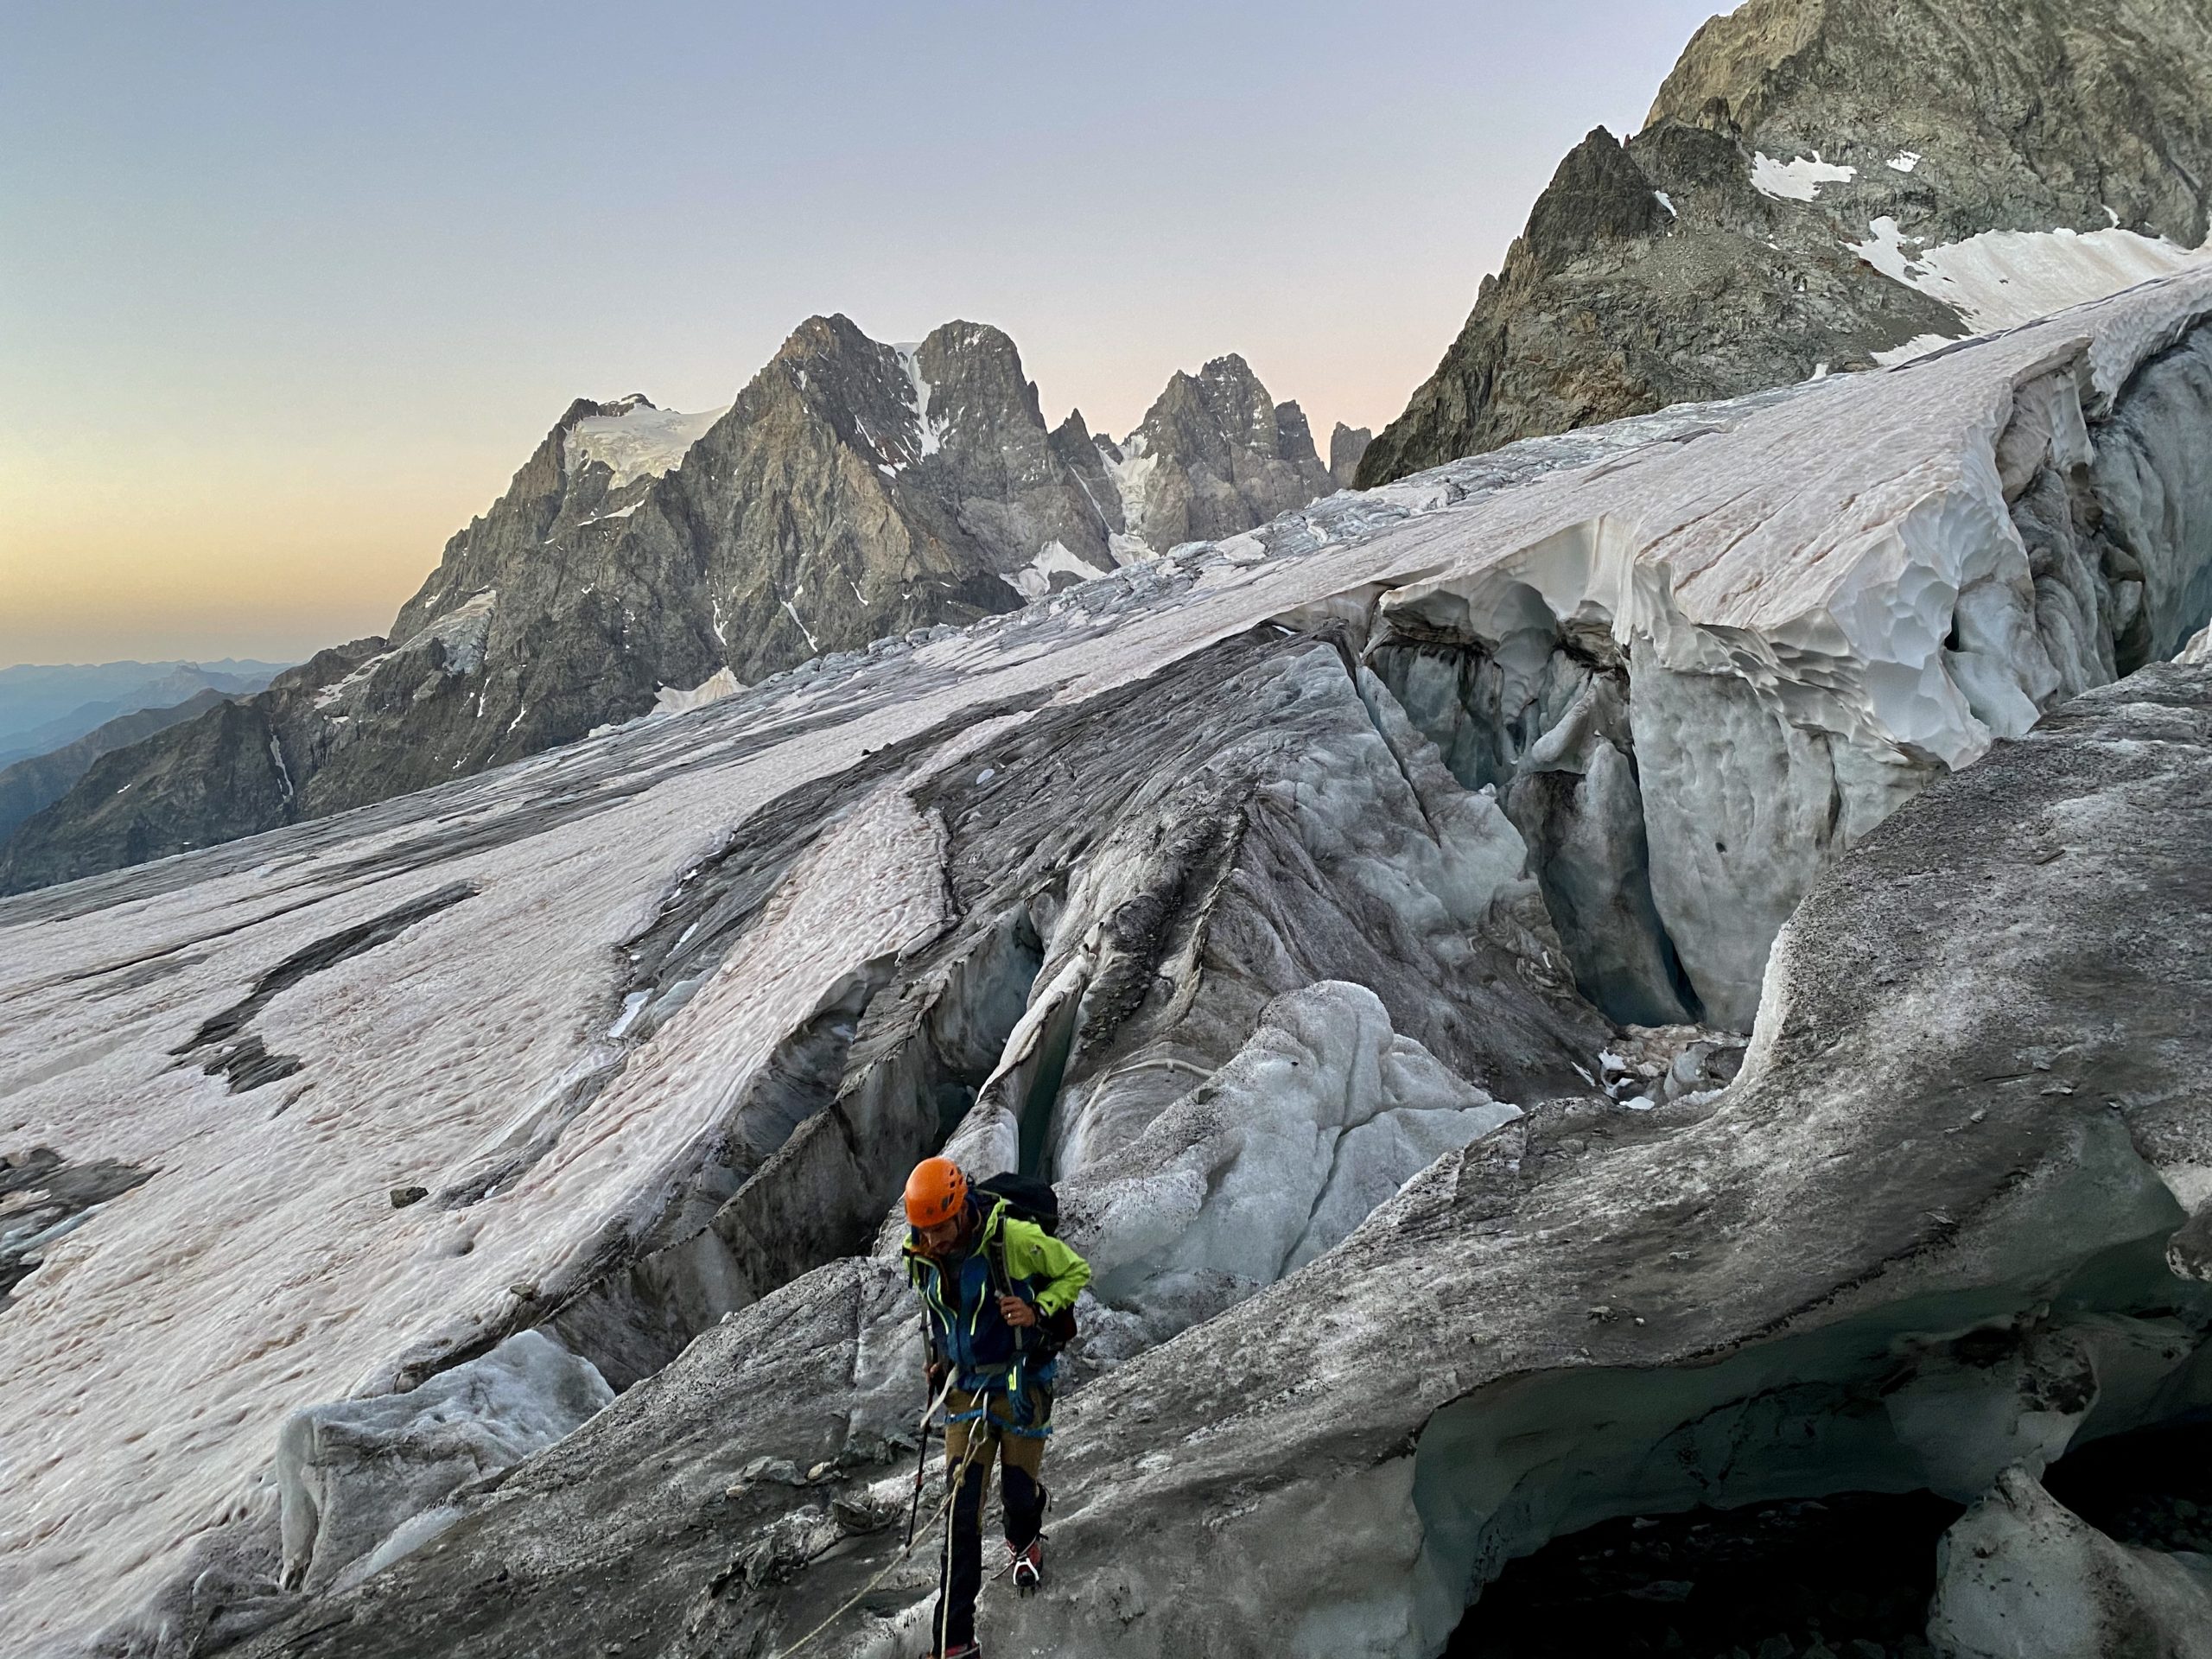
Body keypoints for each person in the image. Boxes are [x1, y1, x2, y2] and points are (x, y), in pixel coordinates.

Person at [902, 1156, 1090, 1659]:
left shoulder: (1012, 1240)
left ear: (961, 1209)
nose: (934, 1240)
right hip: (966, 1391)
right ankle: (954, 1645)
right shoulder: (922, 1254)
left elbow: (1074, 1271)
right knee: (960, 1517)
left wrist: (1036, 1309)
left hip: (1021, 1381)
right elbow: (943, 1314)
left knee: (1017, 1493)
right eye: (925, 1231)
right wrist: (942, 1361)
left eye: (941, 1229)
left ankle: (1024, 1535)